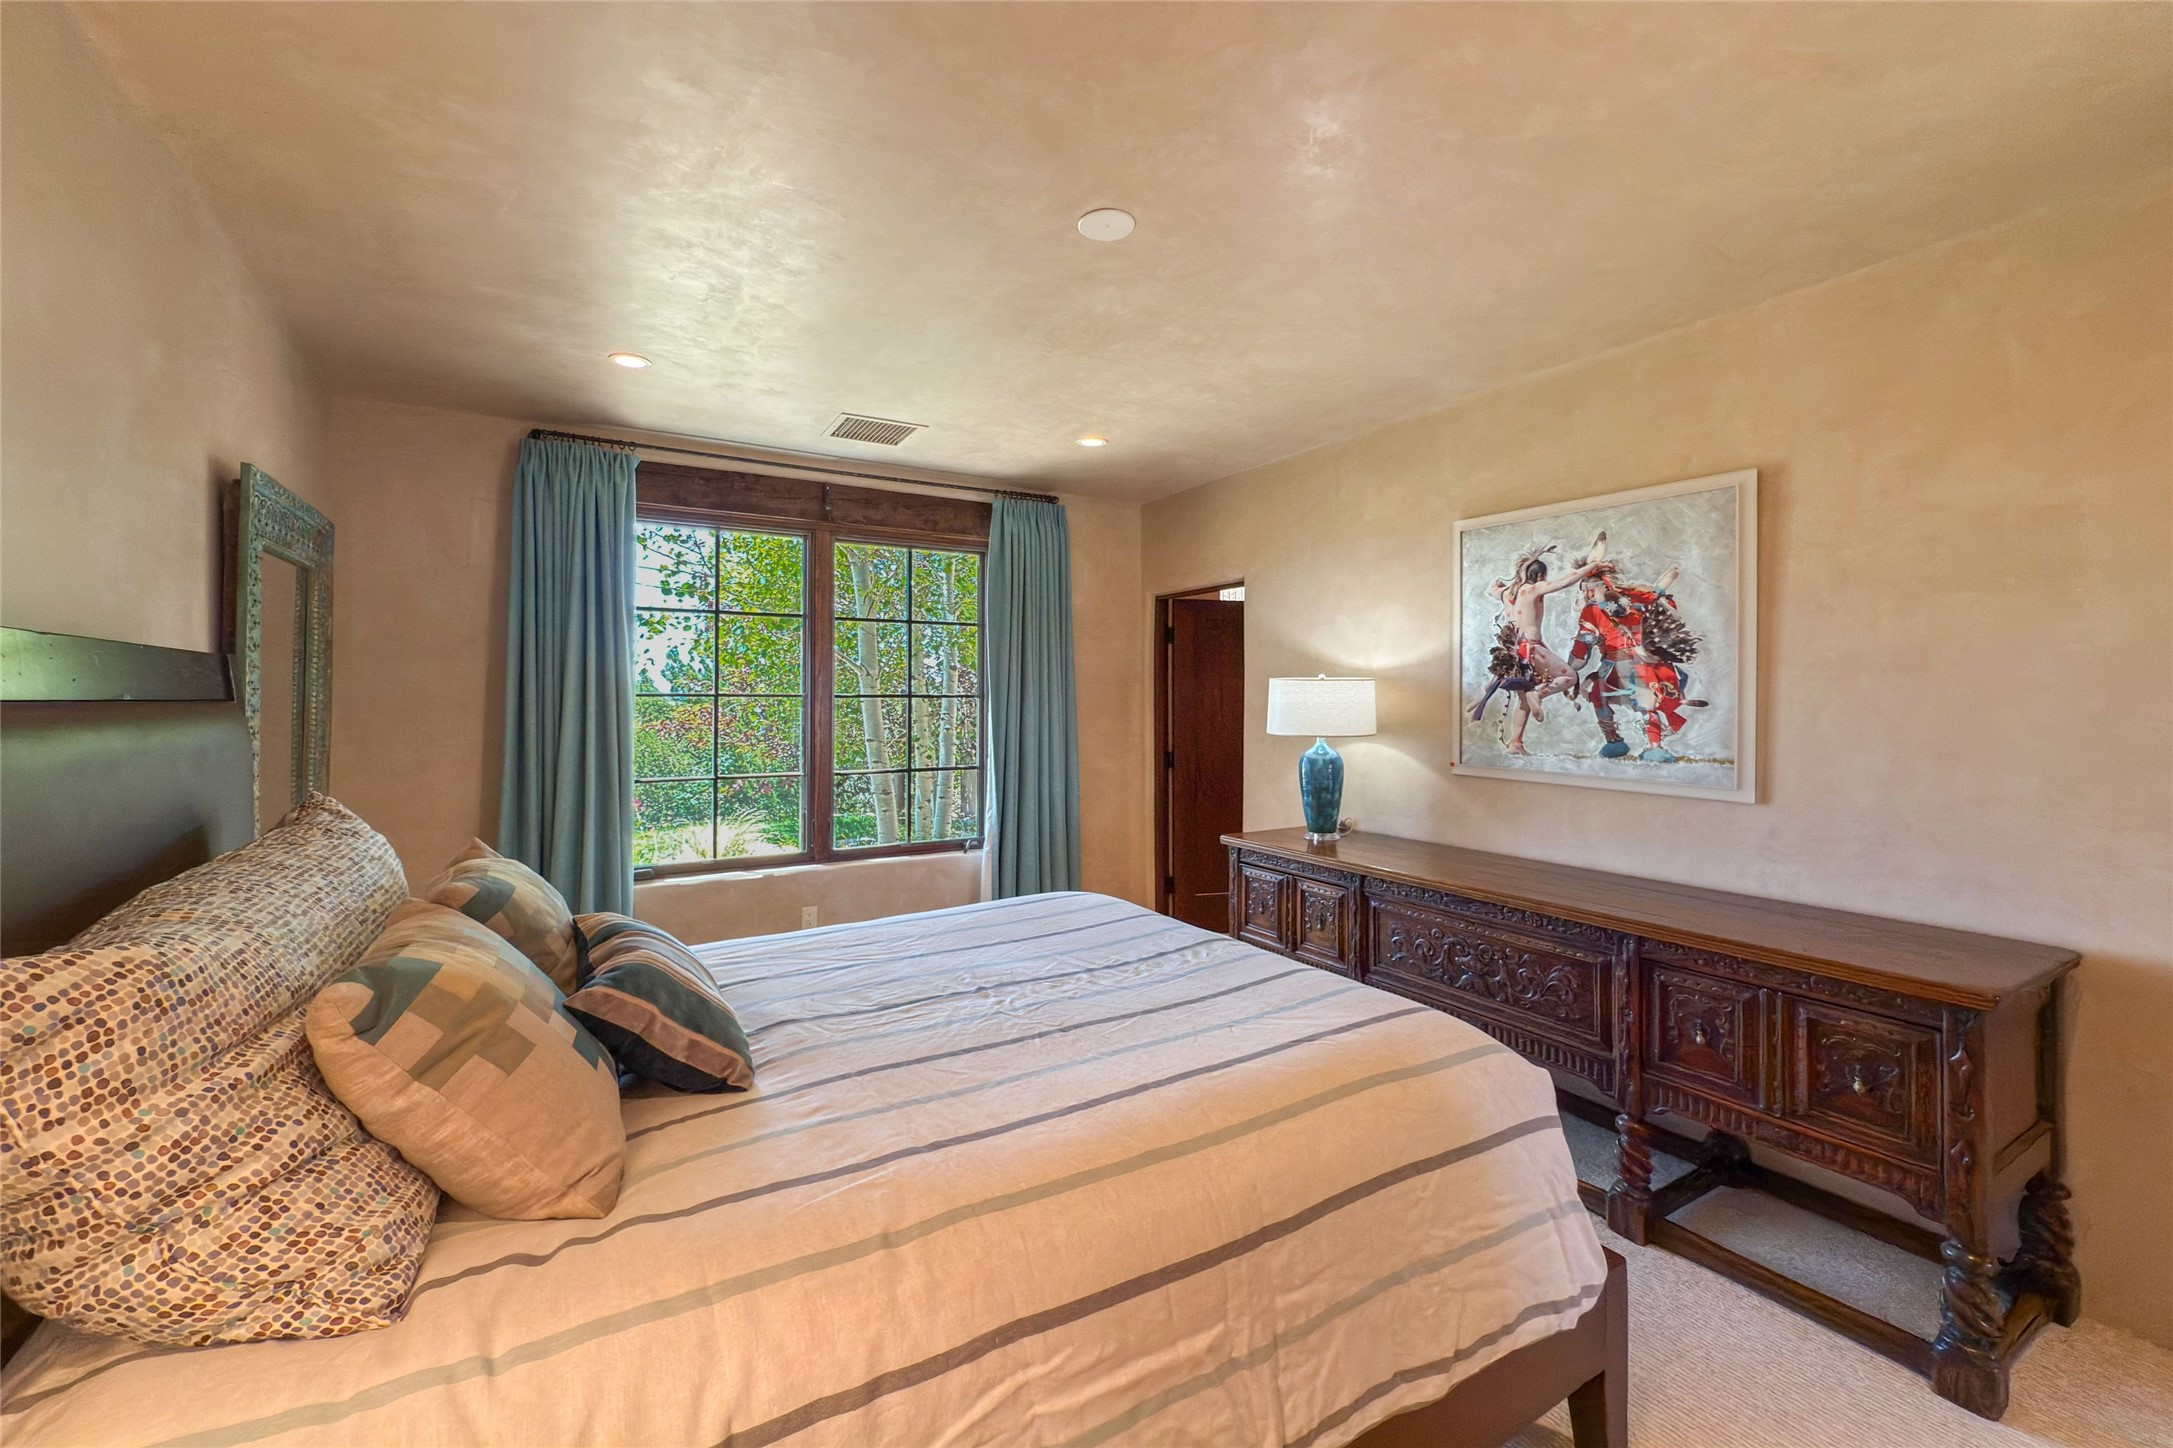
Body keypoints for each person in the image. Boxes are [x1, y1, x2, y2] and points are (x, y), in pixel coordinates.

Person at [1566, 561, 1705, 761]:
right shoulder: (1627, 600)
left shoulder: (1599, 609)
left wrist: (1568, 669)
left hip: (1628, 665)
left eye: (1588, 589)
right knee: (1618, 697)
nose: (1586, 594)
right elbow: (1656, 595)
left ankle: (1630, 744)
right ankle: (1633, 744)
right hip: (1633, 665)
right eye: (1585, 589)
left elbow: (1581, 651)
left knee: (1630, 698)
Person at [1483, 539, 1604, 755]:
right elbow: (1566, 581)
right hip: (1530, 648)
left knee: (1523, 699)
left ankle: (1515, 743)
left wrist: (1497, 584)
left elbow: (1492, 589)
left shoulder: (1508, 593)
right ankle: (1538, 695)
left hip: (1514, 653)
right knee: (1569, 677)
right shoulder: (1533, 588)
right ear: (1540, 576)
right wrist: (1593, 566)